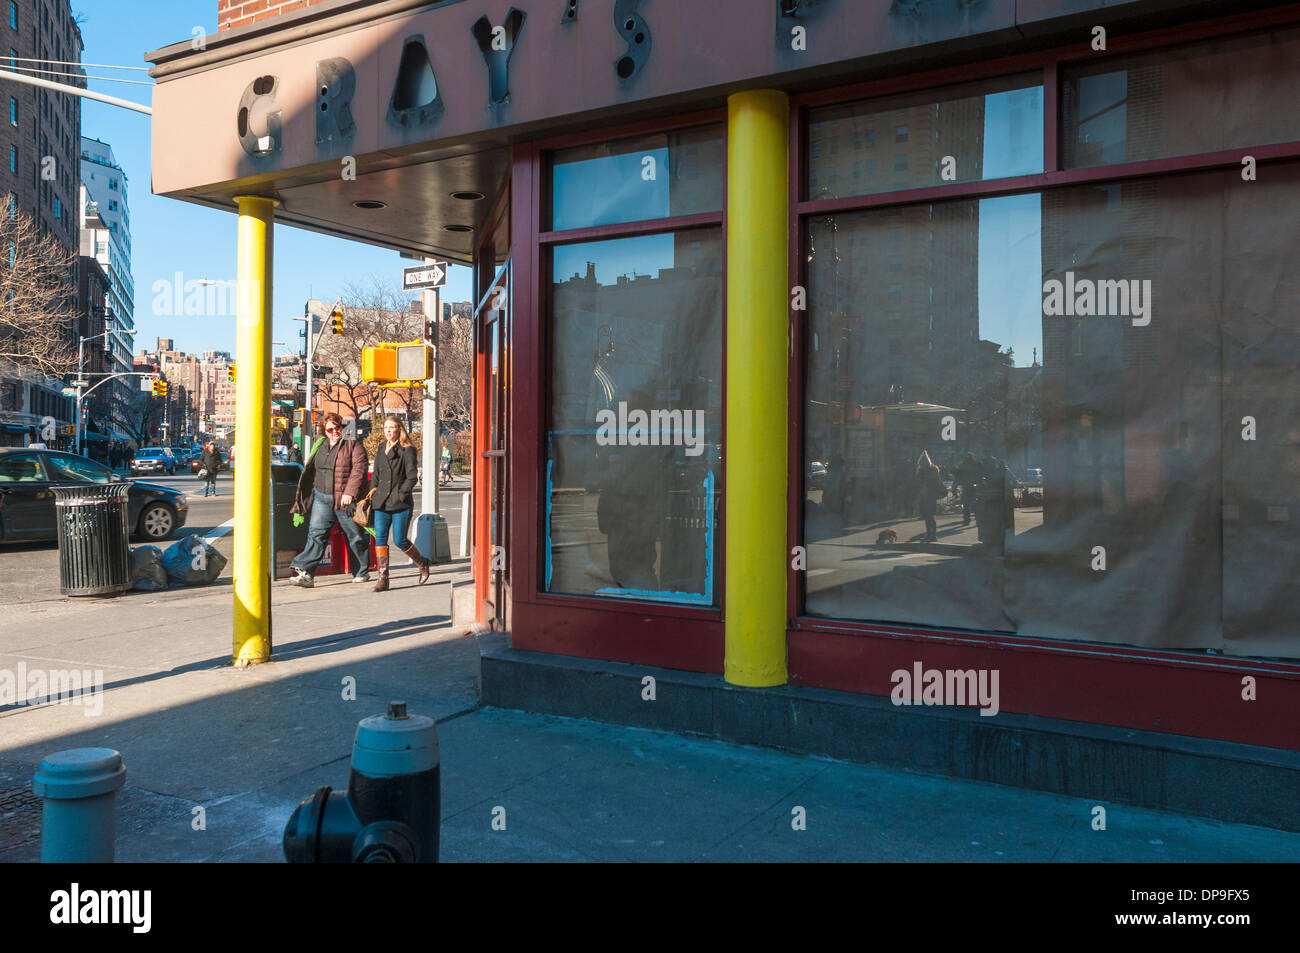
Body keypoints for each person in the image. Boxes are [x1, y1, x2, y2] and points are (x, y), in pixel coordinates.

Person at [287, 413, 372, 586]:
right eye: (330, 429)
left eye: (337, 427)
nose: (334, 432)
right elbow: (311, 470)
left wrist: (350, 493)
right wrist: (304, 499)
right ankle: (306, 573)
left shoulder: (352, 445)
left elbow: (358, 470)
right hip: (321, 497)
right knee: (316, 534)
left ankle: (361, 571)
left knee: (354, 535)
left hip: (344, 500)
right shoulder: (320, 445)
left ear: (342, 428)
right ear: (324, 431)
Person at [370, 415, 432, 591]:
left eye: (392, 427)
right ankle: (383, 578)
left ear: (399, 429)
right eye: (385, 427)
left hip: (400, 503)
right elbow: (376, 474)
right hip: (381, 502)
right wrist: (372, 492)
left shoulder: (407, 449)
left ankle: (422, 563)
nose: (388, 431)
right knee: (380, 539)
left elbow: (412, 477)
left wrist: (401, 493)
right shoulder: (381, 447)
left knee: (399, 539)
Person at [916, 451, 945, 542]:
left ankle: (932, 535)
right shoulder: (933, 469)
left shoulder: (923, 471)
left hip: (927, 495)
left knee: (929, 516)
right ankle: (931, 534)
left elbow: (919, 483)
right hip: (929, 495)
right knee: (929, 516)